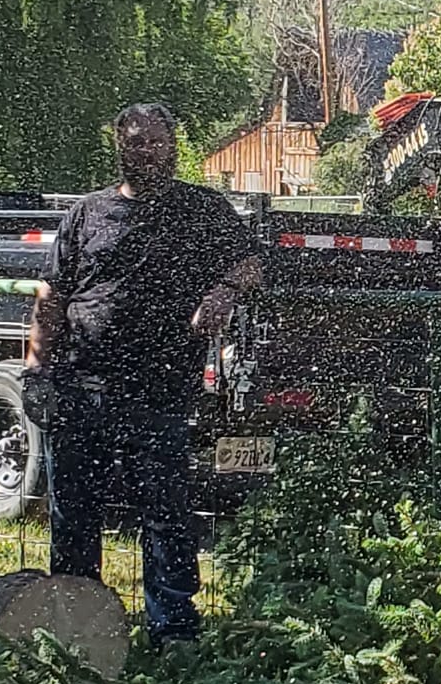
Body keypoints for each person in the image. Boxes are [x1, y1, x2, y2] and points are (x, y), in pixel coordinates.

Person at [23, 103, 262, 642]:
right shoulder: (86, 214)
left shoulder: (201, 210)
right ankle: (75, 630)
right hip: (80, 388)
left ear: (174, 148)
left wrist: (223, 291)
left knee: (165, 516)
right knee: (74, 519)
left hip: (159, 392)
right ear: (118, 146)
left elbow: (253, 261)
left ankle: (172, 632)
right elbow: (51, 297)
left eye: (155, 142)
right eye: (135, 142)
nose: (145, 151)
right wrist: (35, 370)